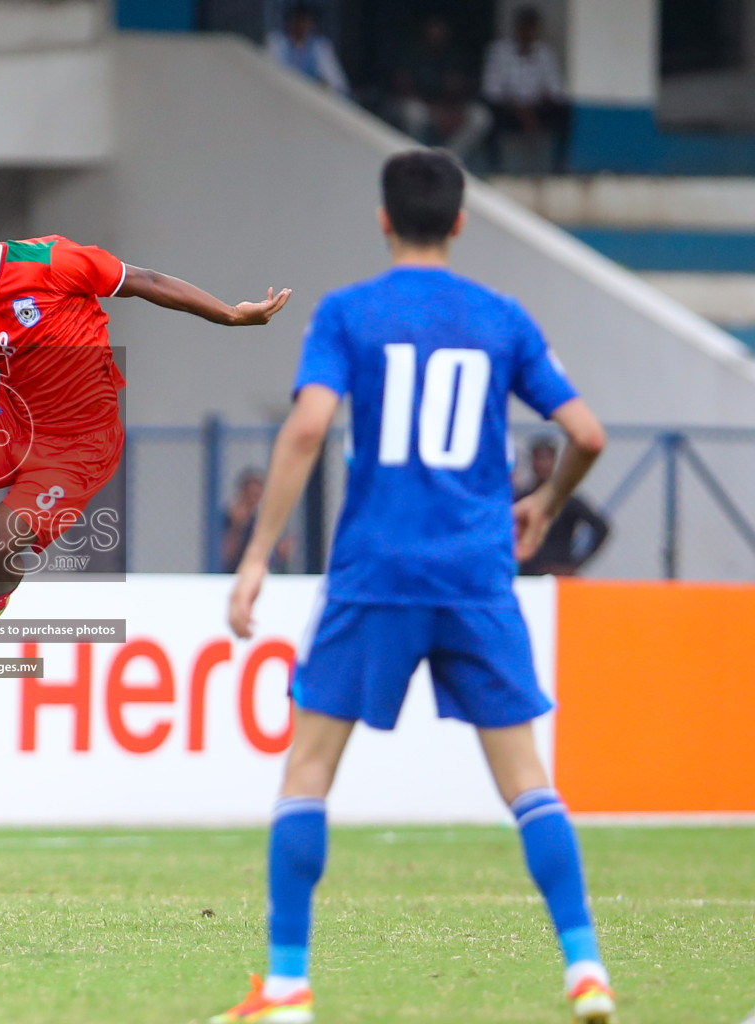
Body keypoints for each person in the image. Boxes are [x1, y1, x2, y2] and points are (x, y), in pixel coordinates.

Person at [216, 150, 615, 1023]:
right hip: (476, 574)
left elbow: (310, 425)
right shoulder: (501, 318)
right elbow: (586, 430)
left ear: (383, 218)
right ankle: (586, 970)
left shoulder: (350, 314)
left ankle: (286, 986)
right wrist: (544, 503)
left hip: (378, 572)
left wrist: (257, 554)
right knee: (529, 784)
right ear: (461, 222)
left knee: (308, 771)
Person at [0, 191, 291, 662]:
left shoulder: (52, 260)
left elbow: (144, 280)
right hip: (16, 419)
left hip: (80, 446)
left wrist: (230, 314)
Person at [386, 14, 493, 162]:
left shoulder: (453, 55)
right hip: (422, 106)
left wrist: (453, 110)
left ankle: (448, 159)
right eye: (432, 31)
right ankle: (415, 160)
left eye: (440, 32)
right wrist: (435, 110)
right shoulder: (411, 54)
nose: (436, 35)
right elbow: (403, 88)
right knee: (413, 113)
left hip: (450, 110)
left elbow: (464, 89)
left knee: (480, 116)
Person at [483, 5, 570, 174]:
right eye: (525, 28)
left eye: (533, 29)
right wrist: (519, 110)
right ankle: (494, 164)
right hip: (509, 109)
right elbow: (492, 90)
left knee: (565, 111)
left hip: (536, 110)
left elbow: (556, 90)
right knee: (488, 112)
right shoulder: (499, 52)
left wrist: (533, 108)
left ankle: (559, 163)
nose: (529, 33)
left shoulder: (544, 53)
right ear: (517, 29)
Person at [517, 437, 610, 576]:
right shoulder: (521, 497)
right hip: (526, 573)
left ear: (555, 462)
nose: (542, 465)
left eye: (547, 459)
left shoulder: (567, 499)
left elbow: (601, 528)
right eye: (539, 459)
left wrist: (575, 564)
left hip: (559, 575)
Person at [220, 468, 293, 573]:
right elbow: (225, 554)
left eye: (258, 496)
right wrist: (237, 527)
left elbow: (276, 553)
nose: (254, 501)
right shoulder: (231, 518)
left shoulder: (265, 520)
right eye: (251, 496)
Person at [267, 3, 348, 96]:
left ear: (311, 25)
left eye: (305, 22)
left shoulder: (319, 47)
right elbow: (273, 71)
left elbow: (337, 83)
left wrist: (324, 84)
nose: (301, 26)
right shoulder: (276, 43)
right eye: (297, 21)